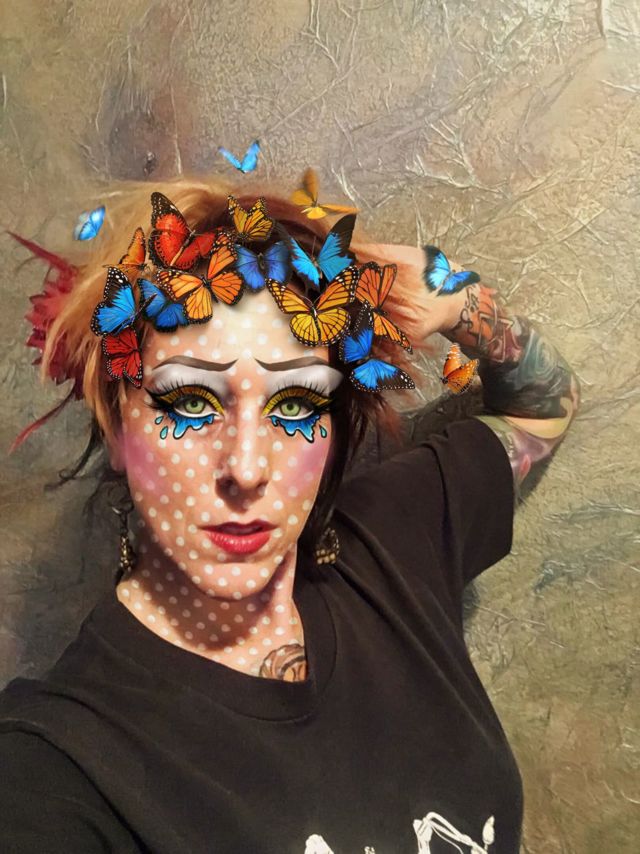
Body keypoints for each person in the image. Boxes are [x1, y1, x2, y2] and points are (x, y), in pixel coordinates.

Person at [0, 175, 580, 854]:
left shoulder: (399, 538)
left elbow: (545, 402)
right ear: (118, 424)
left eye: (296, 403)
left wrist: (456, 295)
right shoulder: (62, 766)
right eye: (190, 402)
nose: (247, 468)